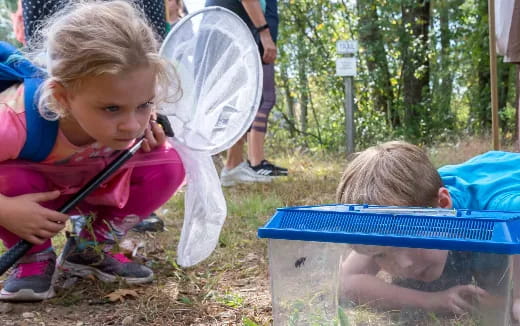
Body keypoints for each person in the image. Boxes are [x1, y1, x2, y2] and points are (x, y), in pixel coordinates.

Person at [0, 0, 185, 301]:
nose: (131, 125)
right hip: (31, 196)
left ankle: (90, 249)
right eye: (112, 108)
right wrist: (4, 210)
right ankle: (32, 258)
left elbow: (143, 132)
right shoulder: (15, 119)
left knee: (168, 162)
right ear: (62, 96)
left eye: (144, 104)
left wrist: (149, 146)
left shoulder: (131, 116)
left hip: (88, 185)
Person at [336, 141, 520, 321]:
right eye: (381, 255)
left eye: (410, 241)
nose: (404, 264)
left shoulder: (500, 211)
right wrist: (431, 301)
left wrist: (515, 300)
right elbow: (346, 281)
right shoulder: (397, 209)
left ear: (443, 205)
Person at [205, 0, 288, 186]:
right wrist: (264, 33)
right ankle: (207, 169)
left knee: (241, 100)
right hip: (226, 30)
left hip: (235, 30)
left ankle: (233, 165)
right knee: (225, 100)